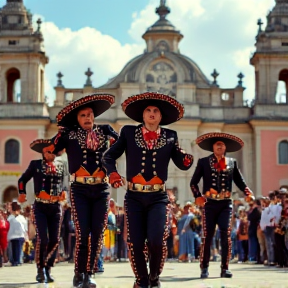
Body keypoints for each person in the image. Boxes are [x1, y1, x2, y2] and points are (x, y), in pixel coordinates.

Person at [102, 92, 193, 288]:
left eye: (156, 111)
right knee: (134, 242)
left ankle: (154, 276)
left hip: (158, 196)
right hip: (134, 196)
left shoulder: (170, 136)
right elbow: (108, 157)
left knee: (156, 240)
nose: (152, 113)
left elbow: (181, 162)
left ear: (161, 117)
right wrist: (113, 174)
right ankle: (142, 280)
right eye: (148, 110)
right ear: (142, 116)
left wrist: (186, 159)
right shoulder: (127, 132)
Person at [48, 94, 118, 288]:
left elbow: (122, 145)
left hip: (101, 188)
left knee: (97, 232)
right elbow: (50, 149)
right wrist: (59, 135)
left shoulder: (105, 130)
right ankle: (79, 271)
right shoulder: (69, 133)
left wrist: (113, 154)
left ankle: (89, 273)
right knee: (83, 232)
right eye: (82, 115)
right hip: (79, 189)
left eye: (90, 114)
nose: (87, 118)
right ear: (77, 119)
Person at [190, 132, 255, 278]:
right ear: (213, 147)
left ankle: (225, 268)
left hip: (226, 203)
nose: (220, 146)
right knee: (208, 236)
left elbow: (240, 181)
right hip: (210, 204)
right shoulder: (203, 162)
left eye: (222, 144)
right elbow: (193, 182)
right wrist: (197, 196)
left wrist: (247, 192)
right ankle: (204, 267)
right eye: (217, 144)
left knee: (225, 235)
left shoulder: (232, 162)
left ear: (225, 148)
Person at [17, 139, 68, 283]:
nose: (52, 155)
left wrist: (64, 192)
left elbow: (65, 183)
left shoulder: (61, 165)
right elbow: (22, 179)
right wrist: (22, 192)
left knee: (54, 239)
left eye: (54, 152)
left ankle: (48, 268)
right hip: (40, 206)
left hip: (56, 207)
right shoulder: (35, 165)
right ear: (43, 153)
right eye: (49, 152)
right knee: (43, 239)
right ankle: (40, 269)